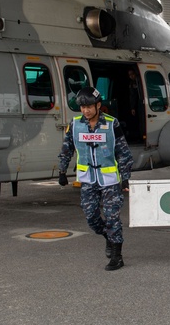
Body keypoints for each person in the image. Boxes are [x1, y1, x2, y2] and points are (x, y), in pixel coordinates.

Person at [57, 86, 134, 271]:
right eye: (82, 107)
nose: (85, 110)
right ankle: (108, 236)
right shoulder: (75, 124)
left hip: (109, 181)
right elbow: (66, 149)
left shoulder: (111, 123)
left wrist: (125, 177)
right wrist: (62, 171)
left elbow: (123, 152)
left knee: (112, 217)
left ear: (98, 105)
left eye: (89, 106)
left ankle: (117, 256)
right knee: (91, 216)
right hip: (88, 180)